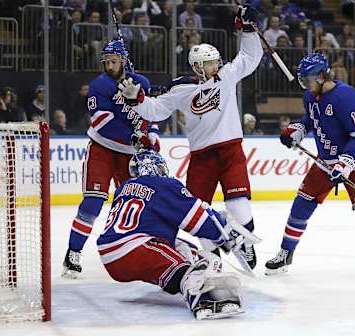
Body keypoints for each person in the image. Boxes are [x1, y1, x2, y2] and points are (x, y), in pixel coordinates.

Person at [116, 4, 262, 270]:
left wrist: (249, 30)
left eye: (217, 60)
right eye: (211, 62)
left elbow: (248, 59)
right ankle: (210, 255)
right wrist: (136, 100)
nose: (217, 64)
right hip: (202, 157)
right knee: (196, 207)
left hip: (231, 151)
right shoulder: (182, 89)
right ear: (197, 66)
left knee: (238, 200)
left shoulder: (226, 77)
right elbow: (157, 110)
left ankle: (248, 245)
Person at [264, 53, 355, 284]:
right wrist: (297, 129)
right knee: (301, 206)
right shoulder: (310, 95)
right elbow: (311, 118)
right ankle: (286, 254)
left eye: (308, 80)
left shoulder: (345, 96)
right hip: (324, 163)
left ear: (322, 76)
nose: (305, 85)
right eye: (302, 80)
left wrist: (346, 162)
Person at [98, 149, 256, 320]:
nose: (162, 171)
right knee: (189, 267)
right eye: (159, 168)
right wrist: (223, 232)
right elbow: (195, 218)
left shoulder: (123, 188)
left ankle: (180, 277)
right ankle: (201, 297)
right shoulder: (163, 184)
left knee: (190, 252)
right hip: (136, 248)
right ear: (155, 168)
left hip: (110, 254)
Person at [62, 39, 160, 279]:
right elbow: (102, 122)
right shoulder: (100, 85)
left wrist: (152, 137)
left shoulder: (142, 83)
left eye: (114, 61)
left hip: (129, 155)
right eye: (106, 61)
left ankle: (134, 253)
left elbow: (152, 114)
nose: (109, 65)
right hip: (102, 149)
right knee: (93, 202)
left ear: (124, 61)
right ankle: (73, 253)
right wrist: (134, 137)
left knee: (133, 205)